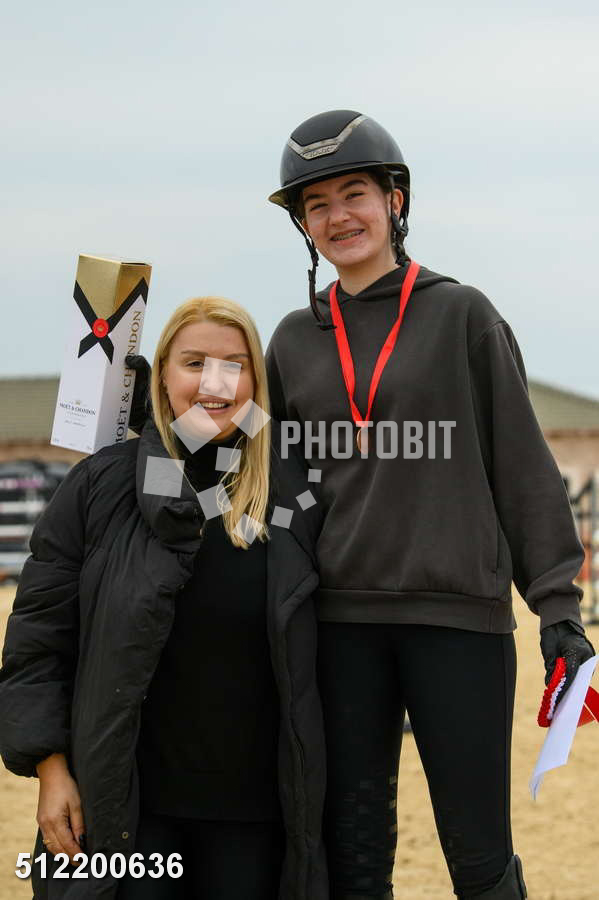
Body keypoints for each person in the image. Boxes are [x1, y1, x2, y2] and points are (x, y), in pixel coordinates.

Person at [263, 110, 595, 900]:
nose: (337, 216)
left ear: (394, 200)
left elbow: (521, 467)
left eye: (354, 194)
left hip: (458, 623)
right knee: (352, 862)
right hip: (338, 629)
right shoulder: (291, 340)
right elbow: (274, 484)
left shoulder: (461, 314)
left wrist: (555, 605)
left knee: (478, 862)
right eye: (316, 205)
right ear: (302, 225)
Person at [0, 296, 327, 900]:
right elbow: (38, 640)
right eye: (194, 362)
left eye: (234, 365)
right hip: (129, 807)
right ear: (162, 377)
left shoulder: (292, 496)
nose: (213, 382)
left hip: (254, 816)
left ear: (256, 381)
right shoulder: (101, 485)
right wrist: (50, 768)